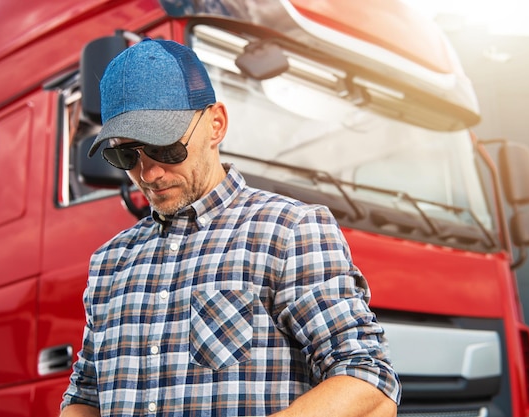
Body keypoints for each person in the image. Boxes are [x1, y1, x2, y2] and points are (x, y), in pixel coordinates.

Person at [61, 38, 401, 417]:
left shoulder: (289, 231)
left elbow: (367, 379)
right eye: (125, 154)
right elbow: (85, 397)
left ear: (216, 125)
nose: (150, 173)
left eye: (166, 148)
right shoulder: (108, 263)